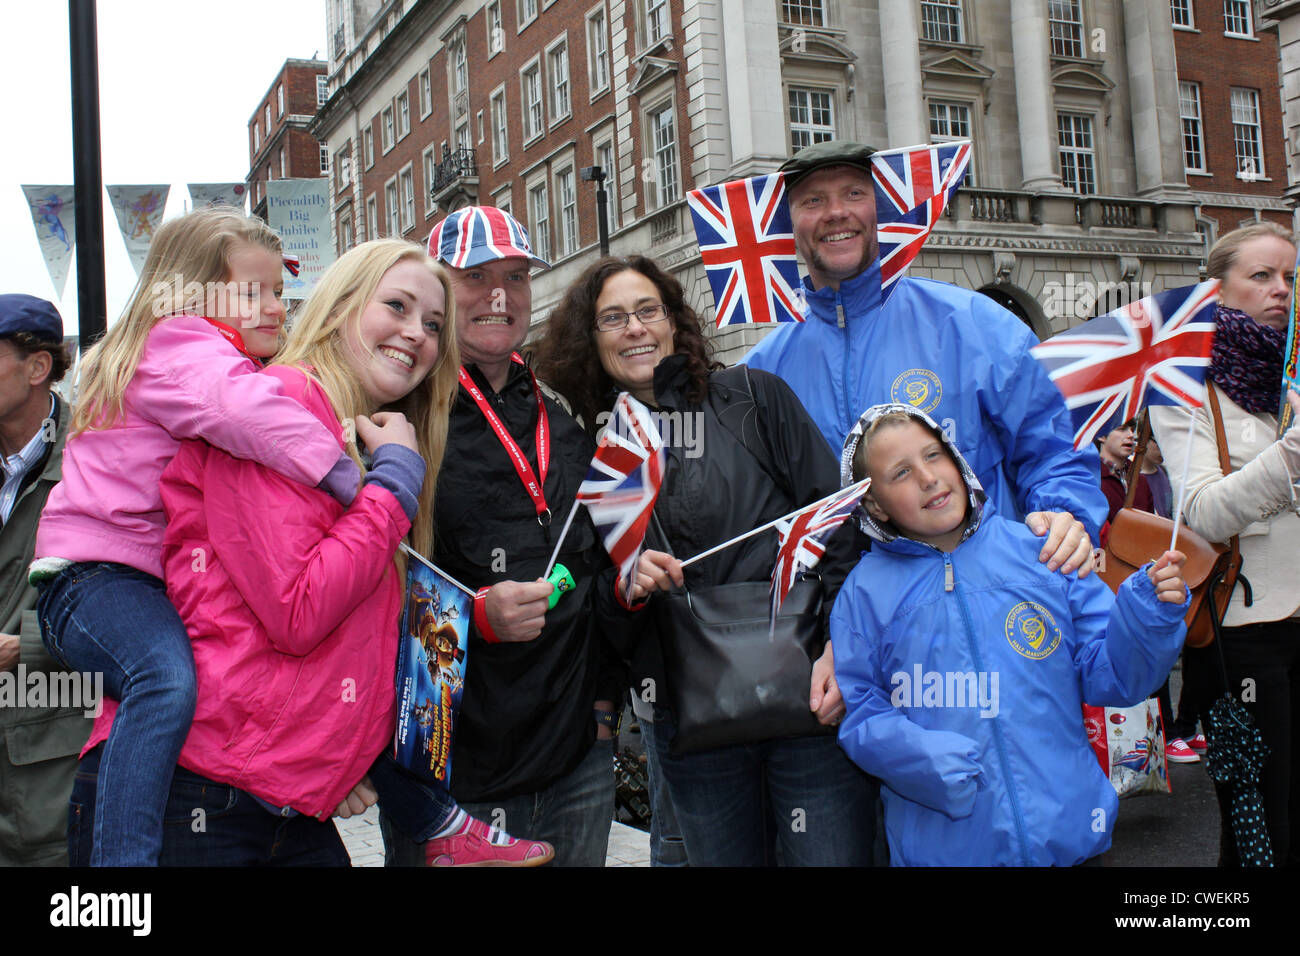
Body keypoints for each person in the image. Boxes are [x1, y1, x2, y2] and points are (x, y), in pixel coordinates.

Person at [67, 240, 553, 866]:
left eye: (434, 324)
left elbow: (351, 629)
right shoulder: (279, 409)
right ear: (337, 308)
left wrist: (343, 754)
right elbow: (299, 611)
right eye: (397, 307)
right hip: (188, 795)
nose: (417, 334)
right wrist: (394, 485)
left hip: (277, 796)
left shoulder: (360, 432)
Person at [31, 207, 362, 866]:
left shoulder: (184, 351)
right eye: (252, 292)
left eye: (278, 291)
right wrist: (345, 475)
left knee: (171, 683)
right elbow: (241, 410)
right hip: (96, 578)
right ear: (190, 292)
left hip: (128, 581)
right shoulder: (181, 343)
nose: (275, 307)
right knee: (163, 679)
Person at [532, 255, 875, 866]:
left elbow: (841, 526)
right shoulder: (595, 457)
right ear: (591, 340)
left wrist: (840, 649)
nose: (634, 328)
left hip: (806, 698)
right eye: (613, 318)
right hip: (691, 717)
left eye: (647, 311)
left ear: (673, 322)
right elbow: (597, 614)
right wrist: (625, 589)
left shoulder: (753, 398)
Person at [831, 403, 1189, 866]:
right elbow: (860, 710)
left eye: (934, 454)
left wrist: (1146, 614)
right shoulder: (864, 594)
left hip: (1070, 837)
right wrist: (918, 758)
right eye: (900, 472)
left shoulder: (1042, 552)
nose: (927, 477)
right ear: (873, 502)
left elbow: (1115, 678)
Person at [385, 206, 627, 867]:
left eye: (517, 277)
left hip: (575, 758)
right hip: (452, 770)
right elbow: (359, 585)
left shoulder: (561, 417)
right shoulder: (396, 418)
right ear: (437, 289)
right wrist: (473, 618)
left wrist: (604, 710)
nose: (500, 295)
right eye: (477, 277)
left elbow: (593, 562)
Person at [743, 139, 1104, 574]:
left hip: (986, 606)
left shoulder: (976, 324)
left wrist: (1065, 515)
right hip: (843, 624)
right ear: (789, 224)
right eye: (812, 201)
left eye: (855, 194)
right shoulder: (763, 370)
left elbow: (1053, 447)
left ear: (885, 208)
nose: (835, 212)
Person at [1148, 221, 1300, 866]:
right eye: (1261, 276)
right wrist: (1291, 455)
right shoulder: (1183, 387)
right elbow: (1202, 513)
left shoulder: (1283, 386)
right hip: (1234, 638)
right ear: (1218, 289)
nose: (1281, 290)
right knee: (1257, 823)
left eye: (1289, 277)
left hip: (1296, 622)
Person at [0, 295, 89, 865]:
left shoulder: (97, 458)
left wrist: (25, 646)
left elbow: (156, 607)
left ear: (37, 369)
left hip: (48, 786)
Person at [1096, 419, 1153, 527]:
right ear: (1101, 435)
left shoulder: (1141, 481)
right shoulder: (1090, 478)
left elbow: (1150, 524)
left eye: (1132, 429)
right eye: (1122, 429)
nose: (1131, 435)